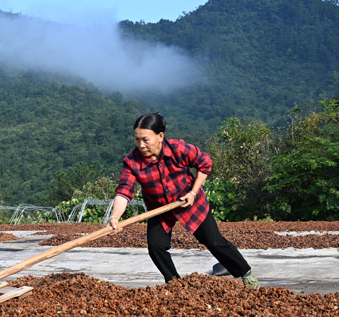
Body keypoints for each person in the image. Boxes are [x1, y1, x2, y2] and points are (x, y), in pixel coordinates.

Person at [107, 113, 260, 287]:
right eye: (137, 140)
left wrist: (193, 193)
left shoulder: (177, 149)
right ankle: (174, 283)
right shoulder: (132, 162)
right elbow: (124, 192)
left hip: (190, 202)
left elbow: (205, 164)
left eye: (145, 140)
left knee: (213, 241)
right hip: (160, 209)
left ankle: (245, 273)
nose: (141, 145)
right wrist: (115, 218)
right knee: (156, 246)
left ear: (160, 136)